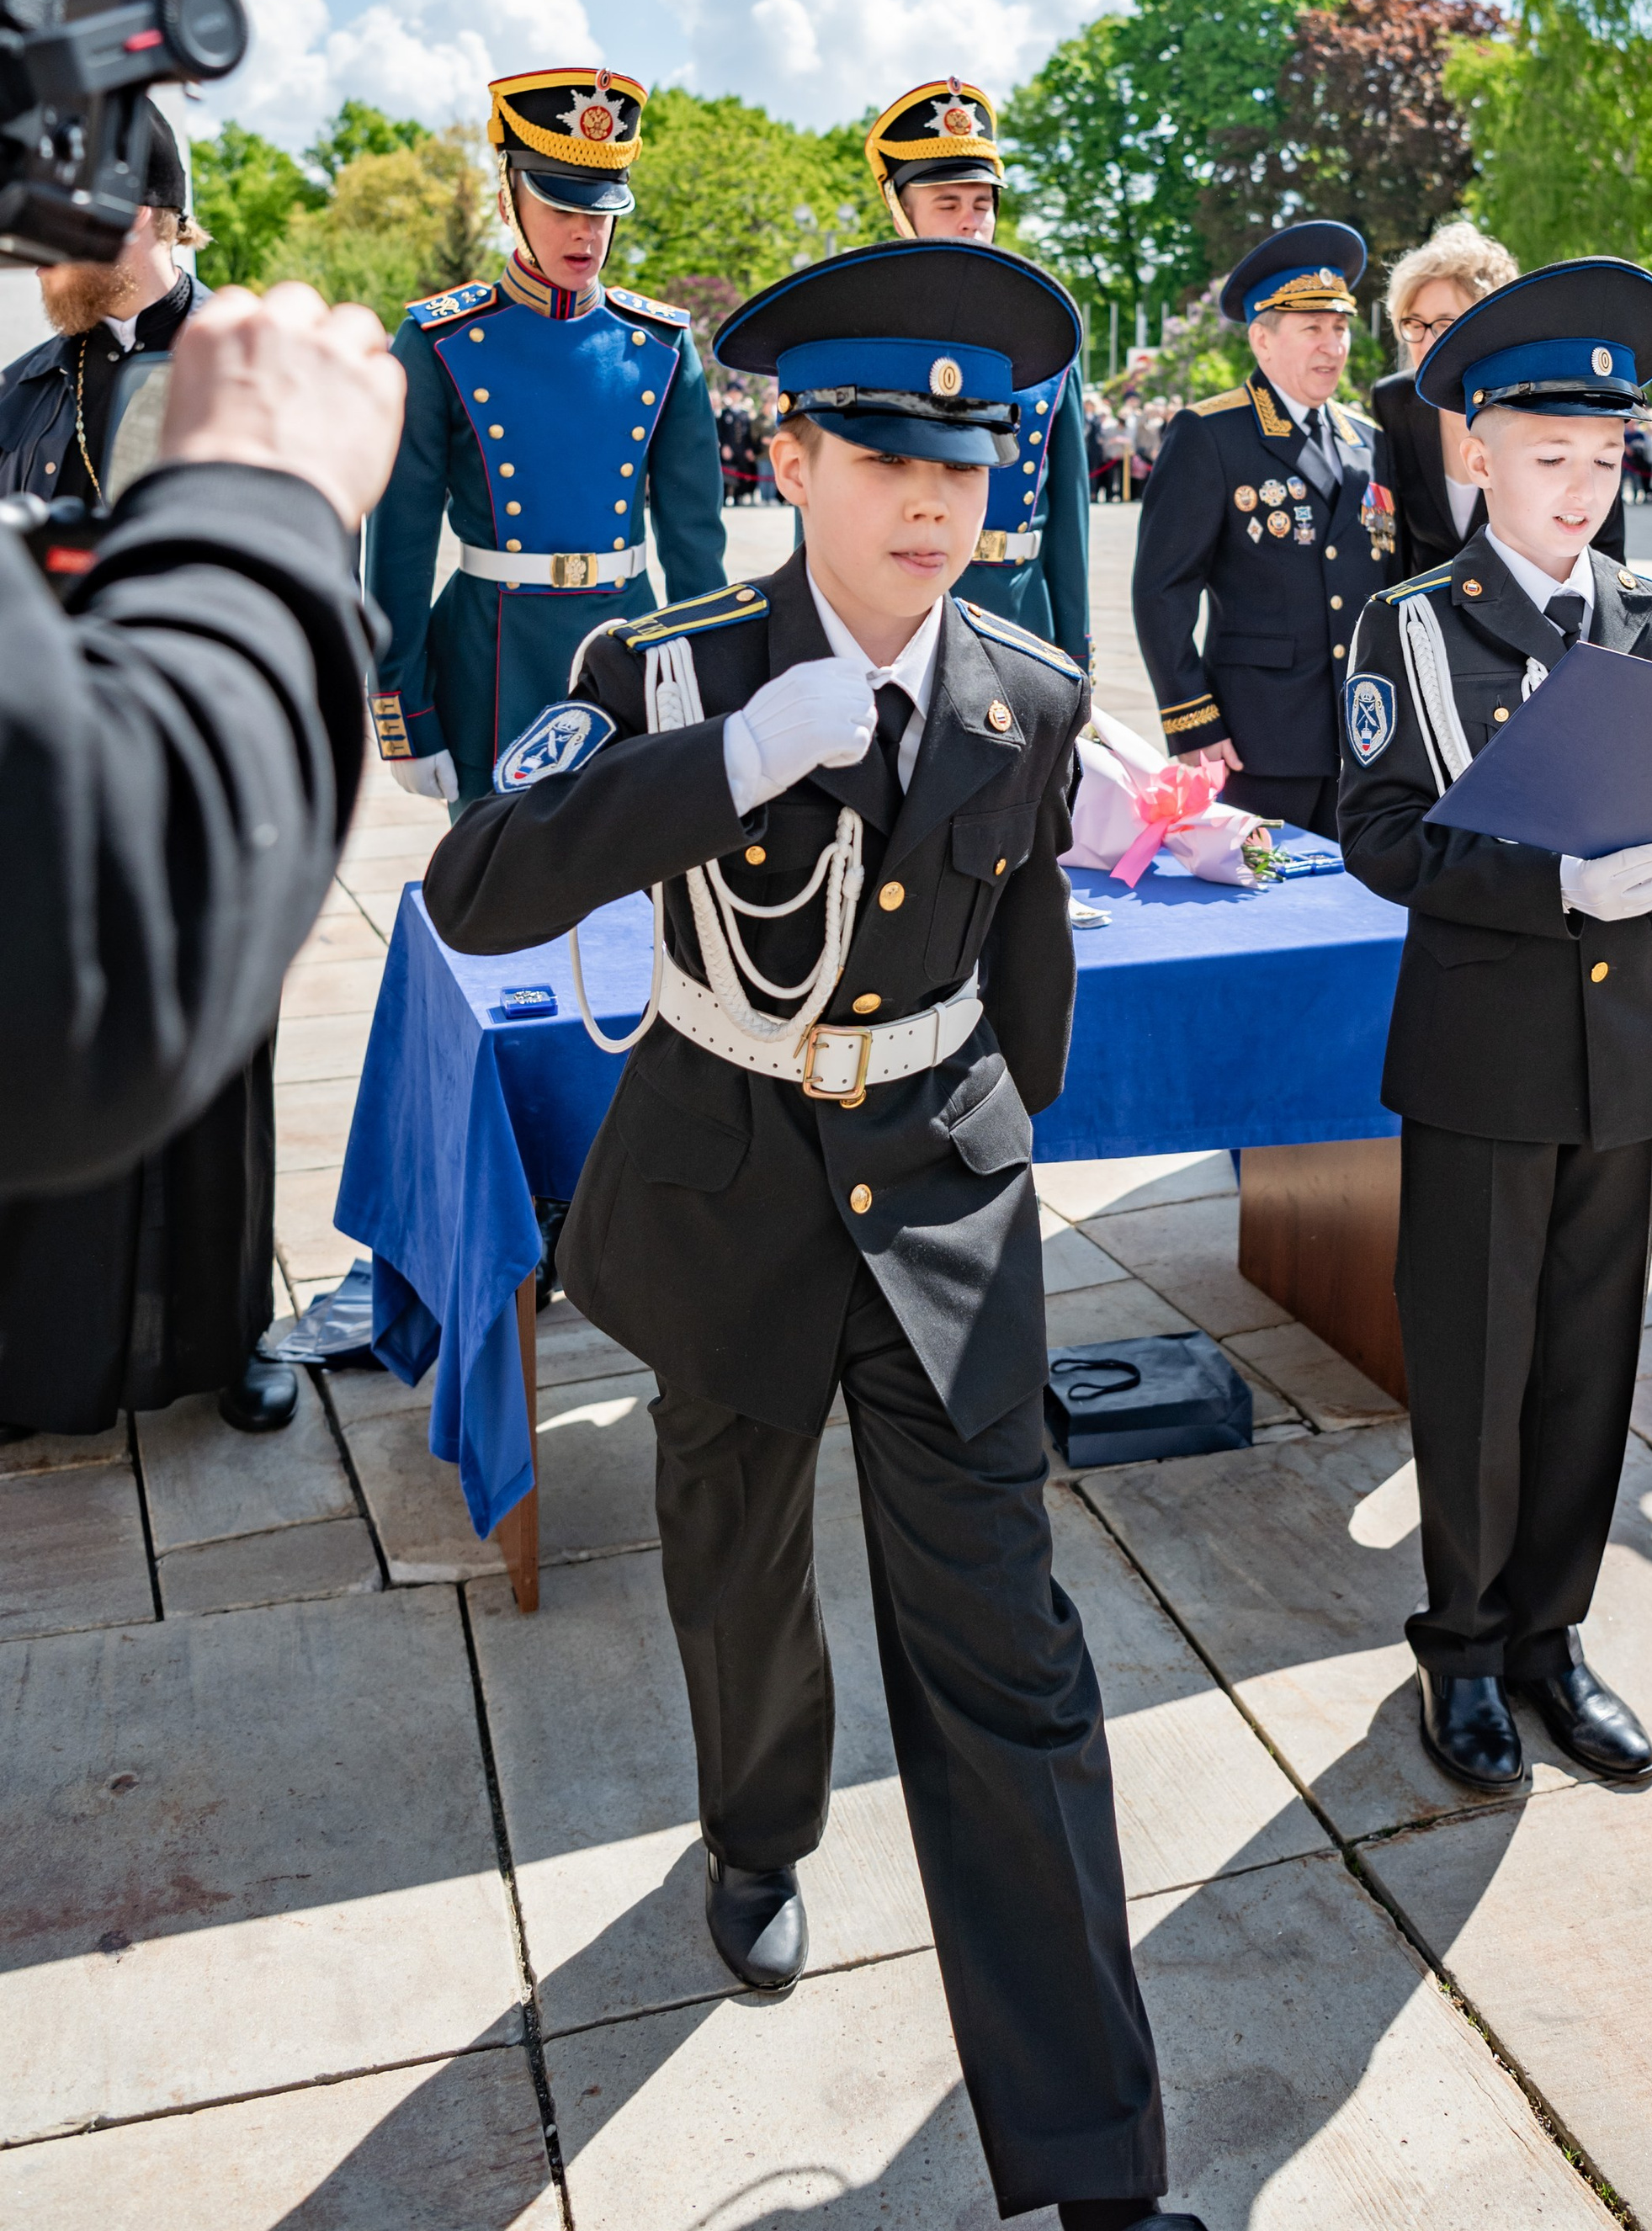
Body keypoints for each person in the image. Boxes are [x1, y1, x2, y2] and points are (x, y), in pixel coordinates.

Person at [424, 239, 1204, 2231]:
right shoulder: (663, 670)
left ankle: (1100, 2167)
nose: (933, 492)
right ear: (787, 453)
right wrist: (732, 761)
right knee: (738, 1575)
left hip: (938, 1203)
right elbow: (480, 886)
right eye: (879, 447)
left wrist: (983, 1163)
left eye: (968, 452)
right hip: (722, 1194)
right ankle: (756, 1833)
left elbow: (1022, 979)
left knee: (1011, 1663)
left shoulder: (1026, 690)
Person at [1338, 258, 1652, 1793]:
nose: (1583, 487)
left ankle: (1556, 1636)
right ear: (1476, 454)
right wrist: (1561, 880)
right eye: (1550, 457)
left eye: (1607, 455)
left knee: (1588, 1358)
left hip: (1625, 1051)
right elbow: (1382, 831)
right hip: (1483, 1052)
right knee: (1478, 1357)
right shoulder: (1416, 627)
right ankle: (1465, 1647)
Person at [0, 272, 400, 1451]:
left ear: (162, 217)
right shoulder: (27, 385)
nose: (48, 267)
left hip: (199, 759)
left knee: (220, 1096)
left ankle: (226, 1342)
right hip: (54, 766)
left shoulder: (251, 368)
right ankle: (53, 1364)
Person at [365, 68, 725, 812]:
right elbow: (398, 542)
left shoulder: (659, 345)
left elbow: (695, 545)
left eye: (602, 209)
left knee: (634, 915)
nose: (586, 230)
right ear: (510, 198)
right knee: (494, 913)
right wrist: (407, 715)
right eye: (562, 205)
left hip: (627, 659)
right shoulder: (442, 340)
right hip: (489, 663)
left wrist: (709, 690)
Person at [1133, 221, 1388, 839]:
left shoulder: (1369, 442)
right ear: (1263, 340)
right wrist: (1194, 721)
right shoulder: (1211, 434)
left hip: (1364, 739)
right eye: (1312, 329)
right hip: (1255, 739)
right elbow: (1162, 590)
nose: (1333, 347)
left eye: (1340, 327)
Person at [865, 77, 1090, 667]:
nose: (971, 222)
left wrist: (1076, 658)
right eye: (948, 204)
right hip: (893, 626)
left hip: (1021, 627)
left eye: (982, 204)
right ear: (900, 210)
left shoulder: (1047, 332)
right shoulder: (858, 335)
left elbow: (1069, 526)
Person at [1368, 222, 1625, 581]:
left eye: (1445, 325)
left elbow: (1603, 547)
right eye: (1414, 323)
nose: (1427, 344)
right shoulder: (1392, 400)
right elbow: (1394, 539)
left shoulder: (1545, 402)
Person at [0, 106, 207, 502]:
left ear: (129, 215)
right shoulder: (12, 393)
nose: (37, 266)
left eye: (49, 224)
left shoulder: (255, 375)